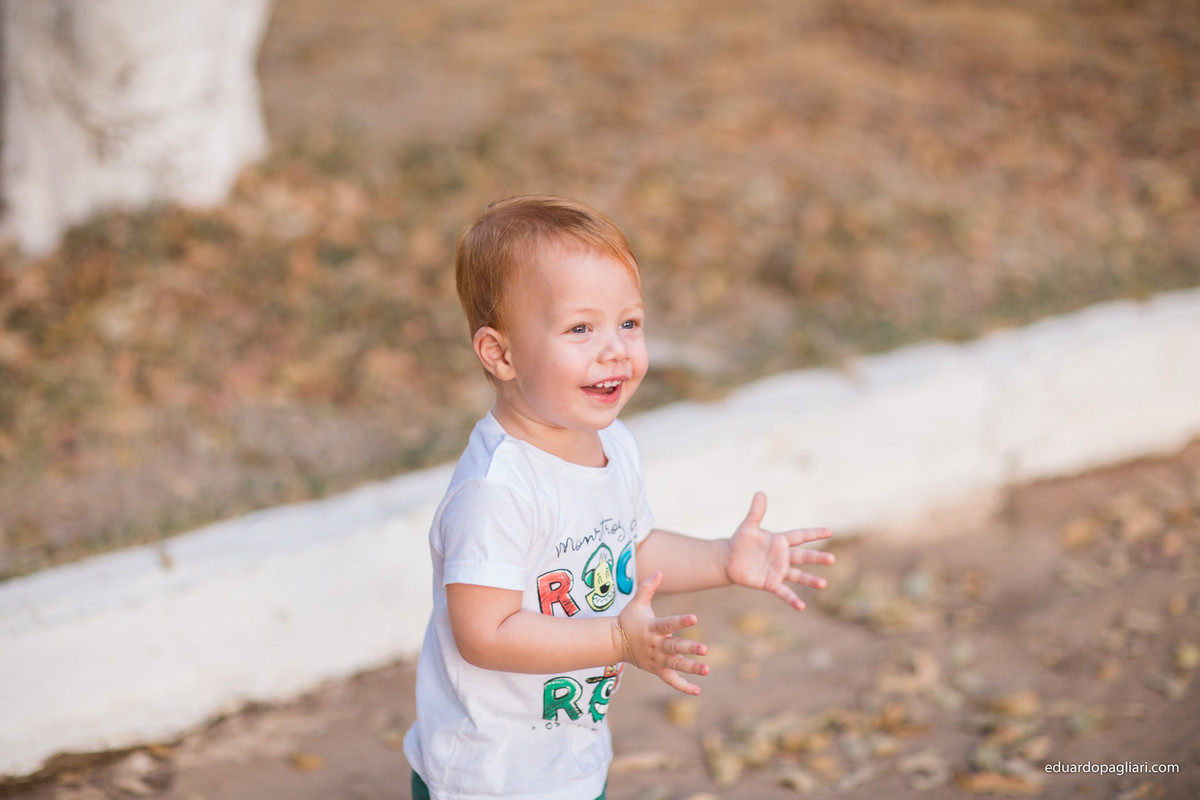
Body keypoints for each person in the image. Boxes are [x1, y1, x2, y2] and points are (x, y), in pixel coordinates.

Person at [403, 195, 834, 800]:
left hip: (570, 758)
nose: (615, 349)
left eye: (628, 323)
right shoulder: (496, 491)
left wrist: (723, 559)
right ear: (501, 354)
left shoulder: (612, 443)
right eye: (580, 328)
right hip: (488, 776)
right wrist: (618, 641)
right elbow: (485, 633)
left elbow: (630, 550)